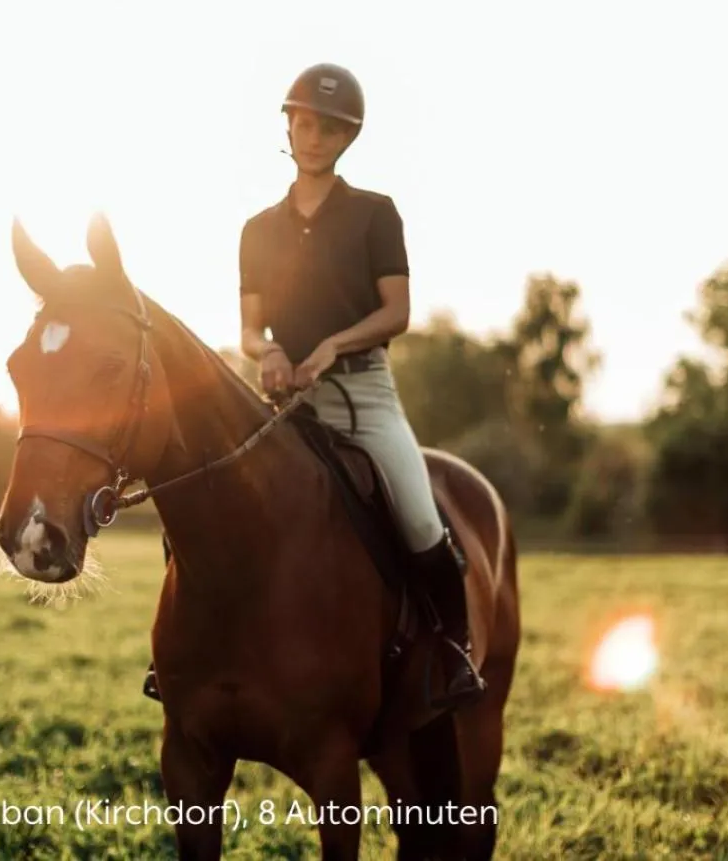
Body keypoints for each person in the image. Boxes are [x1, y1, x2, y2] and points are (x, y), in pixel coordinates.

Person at [142, 62, 485, 711]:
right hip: (279, 403)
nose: (313, 136)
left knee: (416, 515)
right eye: (303, 122)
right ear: (288, 127)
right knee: (199, 506)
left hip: (361, 396)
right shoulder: (257, 229)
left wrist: (331, 345)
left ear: (346, 137)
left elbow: (396, 313)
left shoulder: (374, 215)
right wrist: (267, 349)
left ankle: (451, 653)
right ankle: (181, 659)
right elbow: (247, 329)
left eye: (328, 127)